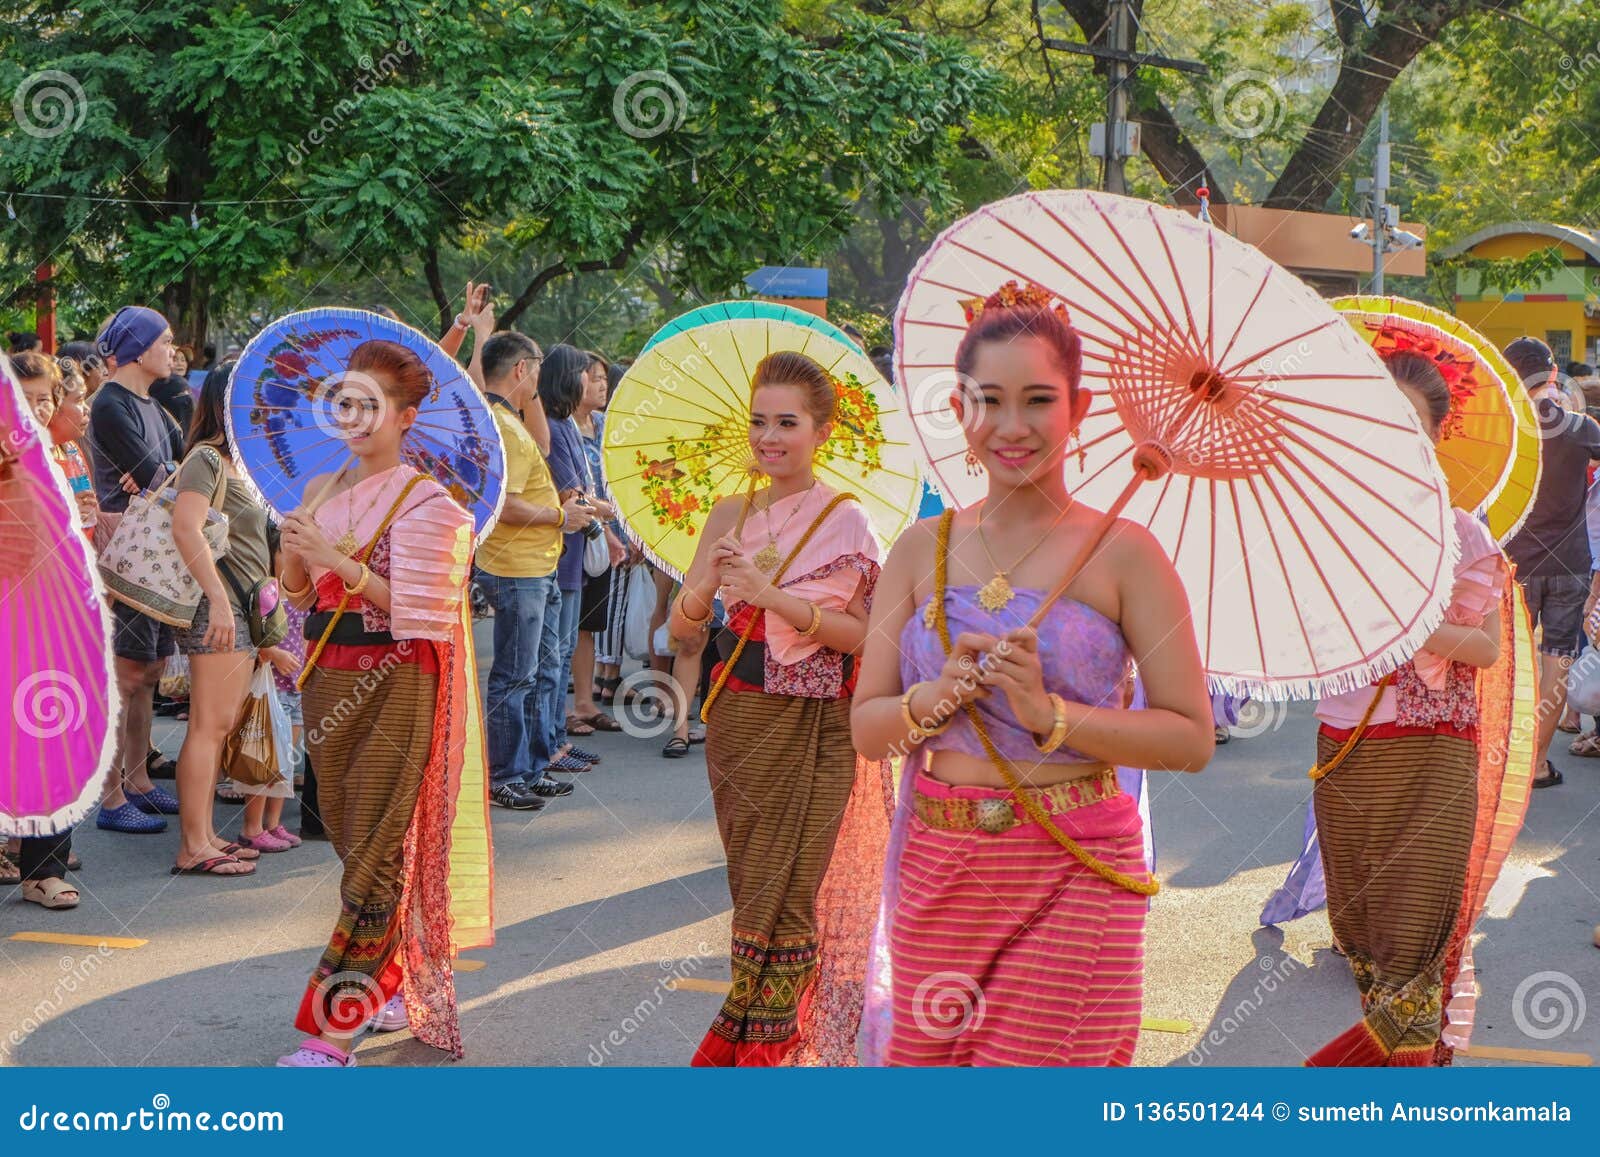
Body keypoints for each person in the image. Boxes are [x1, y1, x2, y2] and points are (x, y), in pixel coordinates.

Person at [851, 286, 1214, 1066]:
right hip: (936, 869)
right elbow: (866, 723)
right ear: (960, 409)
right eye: (989, 401)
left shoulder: (1127, 553)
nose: (1011, 427)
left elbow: (1190, 736)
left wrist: (1050, 713)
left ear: (1080, 408)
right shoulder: (919, 548)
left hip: (1075, 865)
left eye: (1039, 400)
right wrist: (928, 698)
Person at [671, 350, 888, 1066]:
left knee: (793, 888)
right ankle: (765, 1036)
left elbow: (863, 634)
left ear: (820, 430)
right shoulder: (731, 511)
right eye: (759, 421)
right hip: (737, 715)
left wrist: (773, 597)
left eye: (786, 422)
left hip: (819, 725)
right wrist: (710, 578)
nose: (769, 437)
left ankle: (762, 1051)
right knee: (752, 880)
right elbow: (681, 629)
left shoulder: (847, 520)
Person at [1297, 350, 1509, 1066]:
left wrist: (1411, 621)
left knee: (1414, 949)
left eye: (1410, 423)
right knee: (1363, 937)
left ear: (1437, 434)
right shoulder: (1329, 535)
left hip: (1434, 755)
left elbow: (1484, 649)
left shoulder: (1466, 534)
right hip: (1347, 752)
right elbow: (1306, 639)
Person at [275, 338, 478, 1067]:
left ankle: (335, 1031)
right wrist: (295, 552)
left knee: (376, 849)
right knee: (351, 834)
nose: (354, 418)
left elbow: (420, 612)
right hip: (327, 670)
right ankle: (385, 974)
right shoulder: (318, 489)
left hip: (397, 676)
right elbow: (297, 596)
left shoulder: (428, 501)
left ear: (405, 416)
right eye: (345, 403)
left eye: (370, 405)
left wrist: (338, 562)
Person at [169, 364, 299, 876]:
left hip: (243, 610)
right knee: (207, 726)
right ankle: (193, 845)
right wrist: (219, 601)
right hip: (218, 609)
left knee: (219, 726)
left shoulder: (246, 467)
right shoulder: (206, 458)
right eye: (255, 399)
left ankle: (203, 839)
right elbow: (186, 528)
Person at [470, 322, 593, 809]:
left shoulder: (511, 420)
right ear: (522, 369)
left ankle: (533, 764)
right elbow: (507, 505)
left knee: (543, 670)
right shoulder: (500, 426)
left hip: (536, 564)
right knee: (515, 676)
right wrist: (564, 516)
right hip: (517, 565)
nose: (540, 381)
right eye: (536, 370)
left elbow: (540, 447)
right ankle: (506, 774)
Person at [87, 306, 186, 834]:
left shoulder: (153, 405)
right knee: (125, 676)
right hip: (127, 555)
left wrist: (164, 477)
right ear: (139, 349)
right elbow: (157, 474)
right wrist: (164, 477)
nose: (172, 350)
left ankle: (140, 778)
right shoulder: (110, 403)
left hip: (157, 555)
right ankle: (110, 795)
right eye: (165, 341)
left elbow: (182, 468)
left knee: (148, 672)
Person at [1502, 336, 1600, 787]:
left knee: (1510, 667)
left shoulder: (1502, 430)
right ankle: (1536, 766)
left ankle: (1502, 762)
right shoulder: (1578, 428)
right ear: (1552, 375)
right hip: (1570, 566)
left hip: (1513, 565)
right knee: (1556, 662)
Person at [538, 345, 615, 774]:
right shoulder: (553, 424)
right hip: (560, 554)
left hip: (577, 549)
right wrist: (603, 510)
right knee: (552, 657)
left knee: (563, 650)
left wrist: (597, 514)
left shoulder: (566, 423)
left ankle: (555, 742)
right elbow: (573, 493)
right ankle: (547, 746)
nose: (594, 382)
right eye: (588, 374)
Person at [569, 351, 627, 736]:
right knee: (565, 627)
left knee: (589, 625)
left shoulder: (607, 425)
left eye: (604, 378)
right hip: (575, 534)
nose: (602, 384)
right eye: (593, 377)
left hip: (605, 535)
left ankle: (586, 703)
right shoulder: (560, 429)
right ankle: (564, 710)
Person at [150, 343, 195, 432]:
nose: (180, 363)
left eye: (183, 360)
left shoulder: (187, 386)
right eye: (175, 359)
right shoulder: (160, 386)